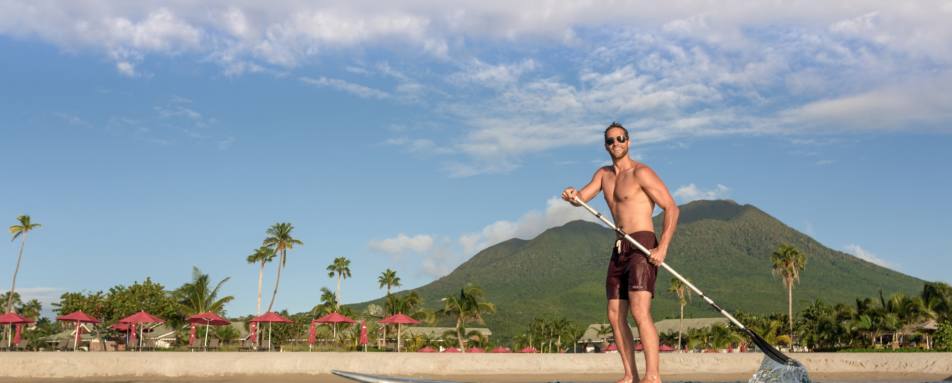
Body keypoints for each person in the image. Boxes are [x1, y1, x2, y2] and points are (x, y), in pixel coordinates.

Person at [561, 122, 679, 383]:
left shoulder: (641, 172)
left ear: (629, 141)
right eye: (611, 141)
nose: (616, 143)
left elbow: (671, 207)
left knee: (639, 311)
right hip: (619, 247)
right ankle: (630, 376)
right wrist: (572, 194)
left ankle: (653, 376)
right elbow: (583, 196)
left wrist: (663, 247)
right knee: (614, 314)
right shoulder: (604, 175)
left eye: (620, 138)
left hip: (642, 243)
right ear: (606, 146)